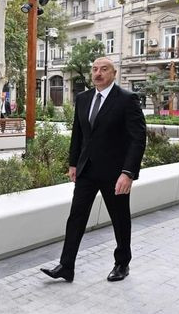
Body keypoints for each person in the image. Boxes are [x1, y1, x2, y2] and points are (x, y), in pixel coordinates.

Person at [40, 57, 146, 283]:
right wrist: (73, 163)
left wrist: (128, 173)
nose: (98, 73)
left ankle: (122, 263)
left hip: (115, 173)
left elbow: (138, 139)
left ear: (114, 73)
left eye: (104, 69)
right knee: (76, 217)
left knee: (119, 219)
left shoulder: (127, 99)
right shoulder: (83, 98)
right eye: (95, 69)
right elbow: (78, 134)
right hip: (86, 170)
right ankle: (66, 266)